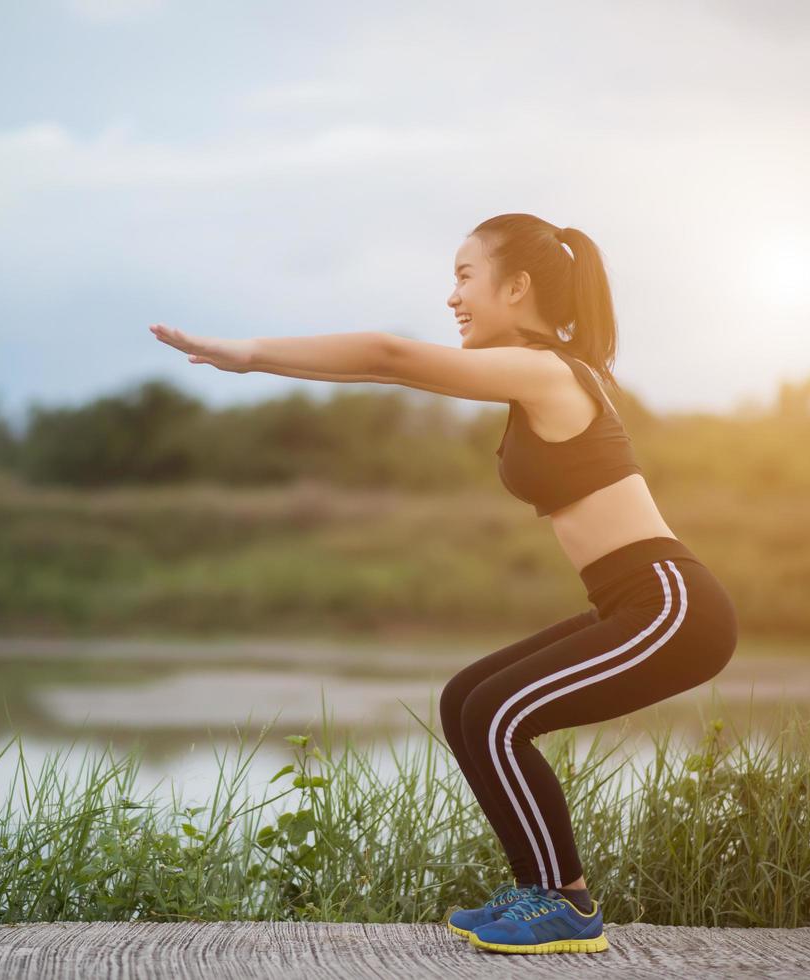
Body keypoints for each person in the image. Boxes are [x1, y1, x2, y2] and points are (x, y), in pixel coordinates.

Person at [148, 212, 739, 956]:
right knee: (466, 699)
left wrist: (252, 354)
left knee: (496, 712)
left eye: (464, 277)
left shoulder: (547, 369)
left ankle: (568, 906)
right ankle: (540, 891)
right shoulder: (536, 374)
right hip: (631, 601)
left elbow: (390, 355)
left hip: (671, 606)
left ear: (516, 286)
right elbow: (381, 368)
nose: (452, 297)